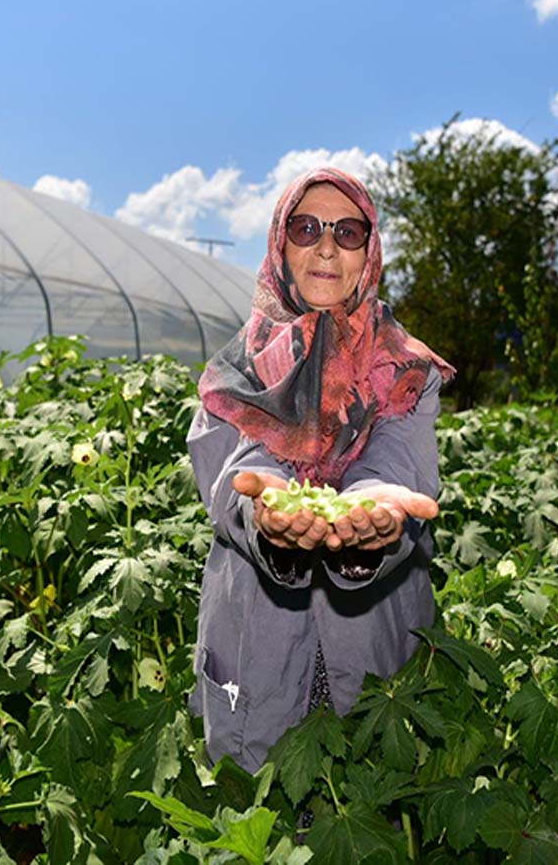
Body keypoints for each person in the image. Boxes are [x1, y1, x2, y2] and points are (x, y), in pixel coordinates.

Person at [186, 166, 454, 773]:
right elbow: (233, 474)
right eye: (306, 228)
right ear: (280, 244)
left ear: (371, 250)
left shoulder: (406, 369)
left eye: (348, 231)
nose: (327, 247)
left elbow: (397, 461)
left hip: (372, 637)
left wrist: (371, 512)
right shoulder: (237, 370)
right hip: (257, 631)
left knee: (361, 804)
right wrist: (265, 510)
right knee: (261, 806)